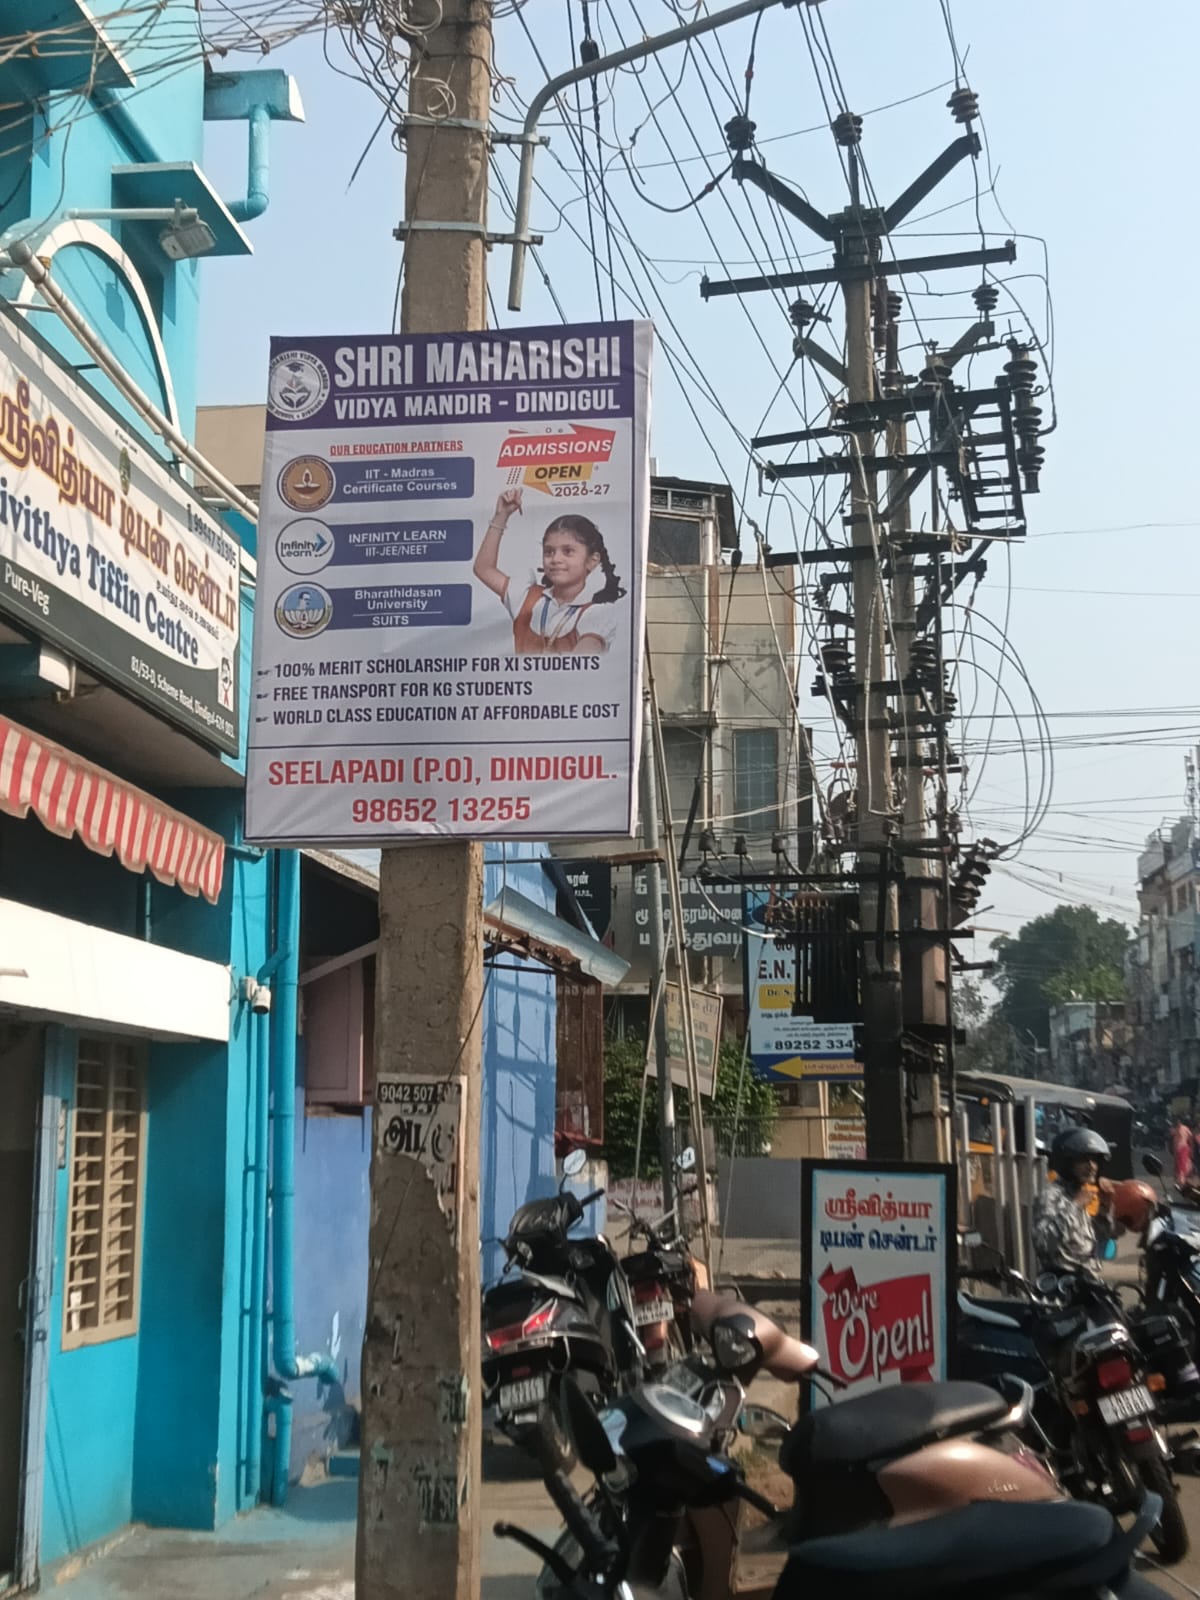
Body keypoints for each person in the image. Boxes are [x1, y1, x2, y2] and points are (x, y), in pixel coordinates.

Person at [473, 488, 626, 655]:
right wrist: (501, 516)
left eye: (568, 551)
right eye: (549, 551)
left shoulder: (596, 614)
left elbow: (580, 665)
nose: (556, 559)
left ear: (592, 561)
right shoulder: (526, 597)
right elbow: (483, 568)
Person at [1032, 1125, 1116, 1278]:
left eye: (1094, 1160)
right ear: (1067, 1163)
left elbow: (1097, 1241)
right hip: (1061, 1281)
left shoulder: (1079, 1194)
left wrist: (1105, 1209)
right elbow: (1043, 1242)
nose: (1091, 1166)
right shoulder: (1052, 1195)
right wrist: (1075, 1206)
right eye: (1084, 1160)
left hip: (1087, 1280)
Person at [1173, 1117, 1193, 1188]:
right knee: (1181, 1164)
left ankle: (1182, 1180)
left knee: (1182, 1164)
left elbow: (1190, 1137)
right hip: (1181, 1148)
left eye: (1178, 1121)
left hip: (1182, 1148)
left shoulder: (1180, 1129)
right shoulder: (1181, 1129)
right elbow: (1190, 1137)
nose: (1178, 1122)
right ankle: (1181, 1179)